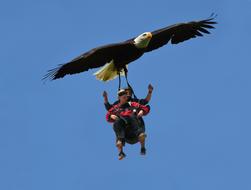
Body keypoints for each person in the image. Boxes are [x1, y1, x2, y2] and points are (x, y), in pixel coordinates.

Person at [106, 89, 150, 160]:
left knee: (131, 115)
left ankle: (142, 145)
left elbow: (146, 107)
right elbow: (107, 116)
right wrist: (111, 116)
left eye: (125, 95)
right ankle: (120, 150)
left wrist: (142, 111)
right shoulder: (115, 108)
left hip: (136, 129)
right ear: (119, 98)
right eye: (121, 95)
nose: (124, 96)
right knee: (117, 121)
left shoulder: (132, 104)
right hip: (126, 135)